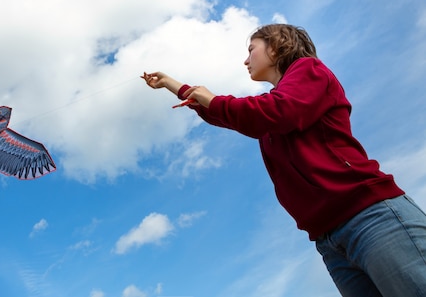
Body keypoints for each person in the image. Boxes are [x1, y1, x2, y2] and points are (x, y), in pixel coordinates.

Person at [142, 23, 426, 297]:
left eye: (251, 49)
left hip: (369, 217)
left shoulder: (309, 70)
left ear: (276, 47)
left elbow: (268, 113)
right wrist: (170, 83)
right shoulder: (271, 111)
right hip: (328, 241)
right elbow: (232, 115)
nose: (245, 60)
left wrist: (213, 99)